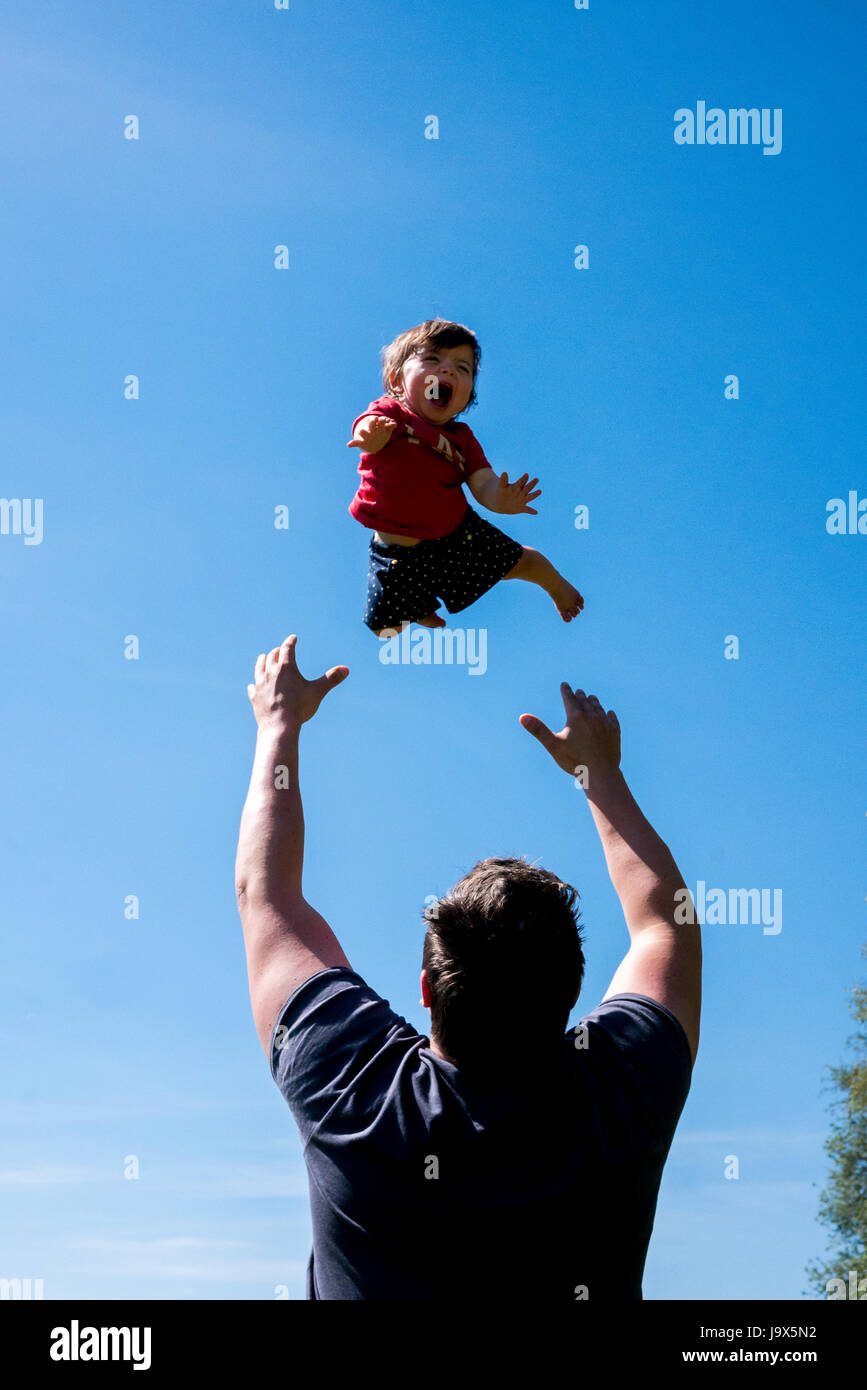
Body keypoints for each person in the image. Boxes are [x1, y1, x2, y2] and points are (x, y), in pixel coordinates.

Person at [235, 635, 701, 1301]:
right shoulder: (622, 1092)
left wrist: (277, 726)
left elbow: (266, 896)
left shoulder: (351, 1088)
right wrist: (600, 775)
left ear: (426, 990)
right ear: (572, 993)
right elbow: (666, 925)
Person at [347, 317, 584, 635]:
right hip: (396, 550)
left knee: (520, 564)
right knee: (385, 628)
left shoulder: (462, 438)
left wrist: (501, 499)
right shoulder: (391, 412)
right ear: (396, 380)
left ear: (468, 394)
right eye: (432, 359)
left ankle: (551, 579)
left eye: (462, 368)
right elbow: (367, 424)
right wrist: (371, 437)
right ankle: (419, 606)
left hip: (455, 535)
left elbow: (483, 483)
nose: (446, 370)